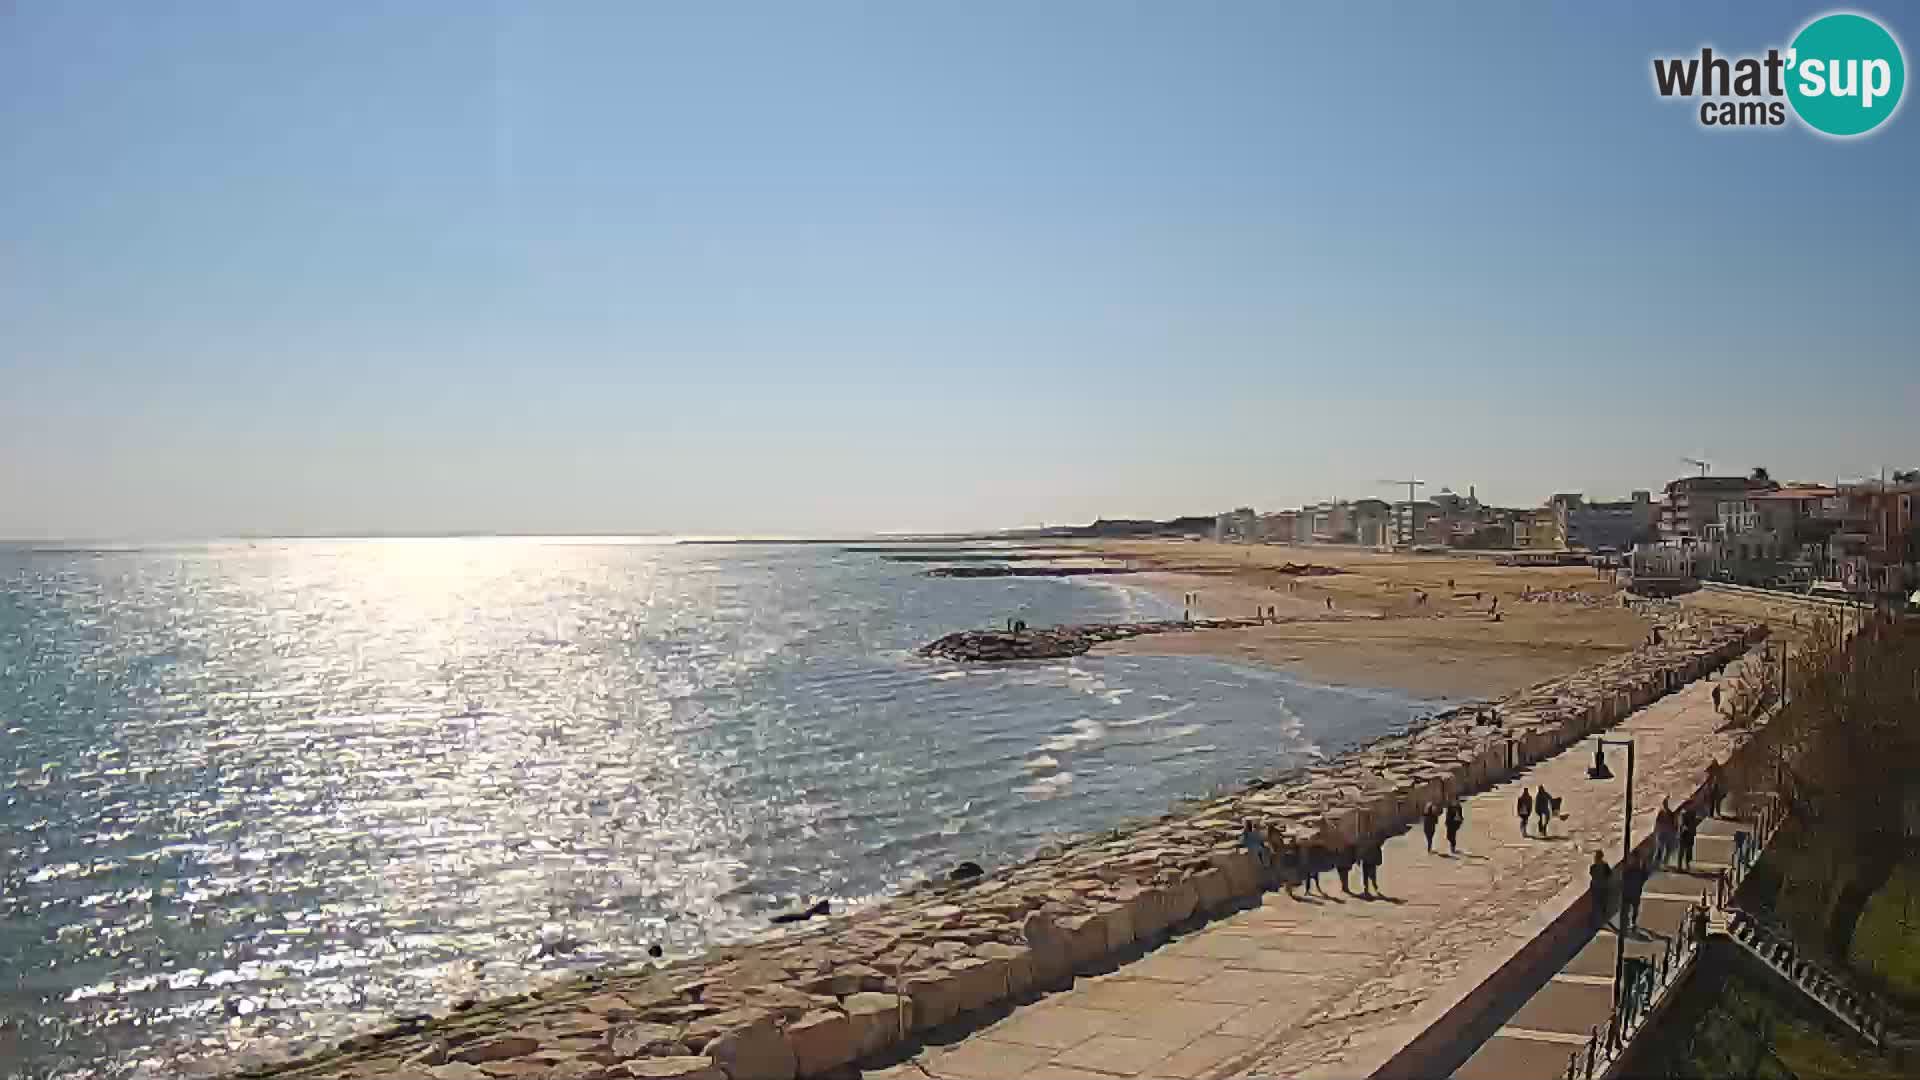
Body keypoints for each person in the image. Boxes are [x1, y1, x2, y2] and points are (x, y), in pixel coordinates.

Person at [1620, 853, 1649, 934]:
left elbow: (1623, 878)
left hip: (1629, 893)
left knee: (1627, 910)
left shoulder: (1630, 870)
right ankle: (1632, 923)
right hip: (1635, 893)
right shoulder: (1638, 871)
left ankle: (1627, 925)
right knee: (1634, 909)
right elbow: (1645, 877)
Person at [1240, 820, 1272, 887]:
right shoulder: (1255, 833)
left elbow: (1243, 842)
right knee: (1262, 868)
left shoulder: (1248, 833)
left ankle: (1263, 883)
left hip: (1255, 851)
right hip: (1257, 851)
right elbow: (1261, 842)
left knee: (1260, 868)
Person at [1588, 851, 1614, 928]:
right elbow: (1609, 874)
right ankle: (1603, 919)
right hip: (1603, 887)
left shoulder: (1593, 866)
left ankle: (1595, 921)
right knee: (1603, 903)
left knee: (1596, 904)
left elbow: (1591, 874)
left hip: (1596, 887)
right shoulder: (1605, 865)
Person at [1654, 798, 1678, 868]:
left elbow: (1674, 823)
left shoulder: (1671, 812)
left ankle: (1664, 863)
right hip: (1662, 833)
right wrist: (1657, 832)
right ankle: (1657, 864)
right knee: (1659, 849)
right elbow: (1657, 823)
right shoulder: (1661, 813)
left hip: (1669, 833)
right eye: (1665, 803)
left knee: (1668, 849)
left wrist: (1675, 831)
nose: (1666, 805)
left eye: (1666, 803)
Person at [1679, 805, 1700, 870]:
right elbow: (1682, 825)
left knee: (1689, 851)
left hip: (1691, 834)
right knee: (1682, 851)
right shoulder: (1684, 814)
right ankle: (1680, 866)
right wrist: (1687, 828)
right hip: (1684, 834)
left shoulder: (1694, 813)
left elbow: (1695, 822)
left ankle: (1687, 865)